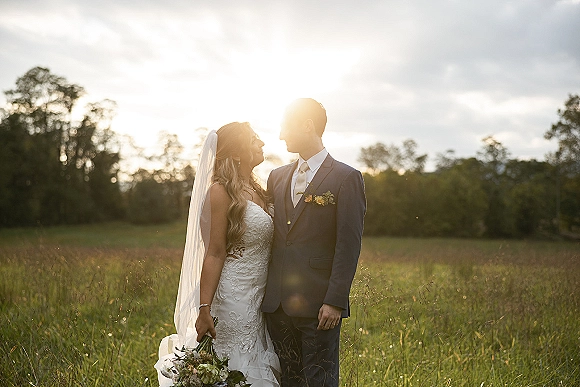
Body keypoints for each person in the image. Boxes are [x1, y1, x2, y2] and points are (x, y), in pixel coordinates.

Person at [155, 122, 280, 387]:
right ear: (236, 153)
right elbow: (214, 252)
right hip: (233, 299)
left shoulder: (258, 189)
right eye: (255, 139)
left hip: (258, 298)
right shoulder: (220, 191)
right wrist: (204, 309)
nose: (262, 144)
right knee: (235, 366)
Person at [262, 98, 366, 387]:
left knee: (320, 380)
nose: (281, 135)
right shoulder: (277, 177)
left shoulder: (347, 178)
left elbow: (349, 245)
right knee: (287, 380)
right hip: (277, 305)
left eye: (285, 127)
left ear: (307, 125)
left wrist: (334, 301)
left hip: (321, 306)